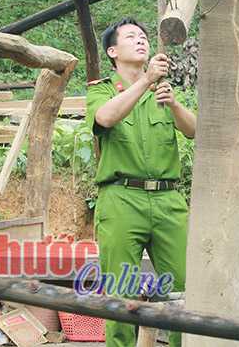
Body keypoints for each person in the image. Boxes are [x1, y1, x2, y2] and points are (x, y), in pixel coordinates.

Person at [86, 17, 196, 347]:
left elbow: (194, 130)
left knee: (181, 290)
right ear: (112, 51)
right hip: (121, 200)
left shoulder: (162, 92)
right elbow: (104, 118)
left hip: (168, 201)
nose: (141, 40)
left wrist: (174, 103)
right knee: (121, 293)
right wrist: (145, 81)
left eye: (144, 36)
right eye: (131, 36)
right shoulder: (102, 90)